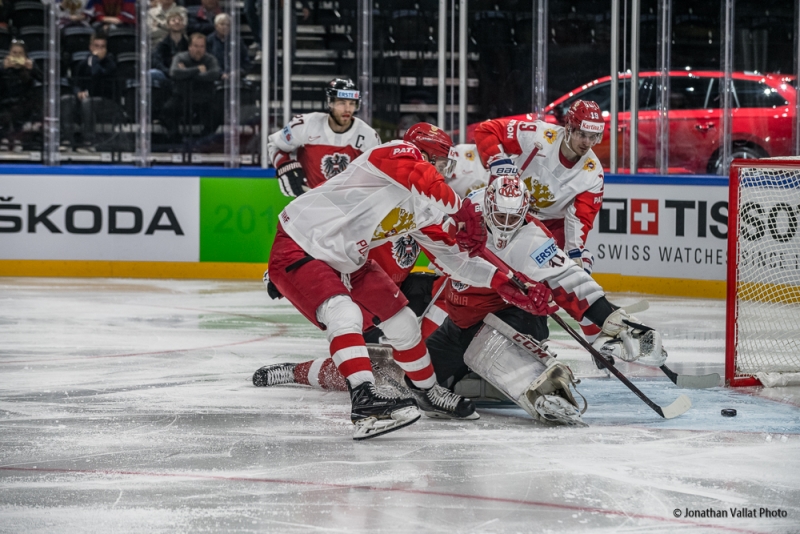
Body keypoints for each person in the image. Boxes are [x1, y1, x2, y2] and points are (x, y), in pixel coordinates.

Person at [262, 123, 547, 440]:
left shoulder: (421, 206)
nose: (444, 170)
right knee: (344, 314)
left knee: (404, 323)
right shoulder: (394, 153)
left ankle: (426, 391)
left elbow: (454, 260)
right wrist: (461, 210)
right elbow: (420, 176)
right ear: (425, 154)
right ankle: (365, 404)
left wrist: (500, 279)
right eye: (440, 162)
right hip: (301, 243)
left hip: (348, 258)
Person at [425, 176, 668, 426]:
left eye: (514, 218)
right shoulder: (462, 215)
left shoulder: (532, 238)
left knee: (496, 340)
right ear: (487, 207)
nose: (507, 225)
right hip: (458, 325)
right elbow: (429, 245)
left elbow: (570, 280)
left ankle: (541, 384)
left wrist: (610, 318)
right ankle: (482, 374)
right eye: (501, 217)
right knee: (422, 379)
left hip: (506, 319)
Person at [473, 100, 606, 341]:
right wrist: (498, 162)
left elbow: (580, 218)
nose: (588, 143)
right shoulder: (537, 134)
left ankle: (595, 337)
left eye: (594, 137)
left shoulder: (592, 173)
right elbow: (486, 130)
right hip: (507, 211)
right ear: (569, 128)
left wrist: (576, 255)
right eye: (583, 135)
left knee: (559, 282)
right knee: (480, 269)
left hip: (548, 226)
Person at [267, 78, 382, 197]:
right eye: (342, 103)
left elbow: (378, 174)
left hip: (349, 207)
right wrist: (283, 166)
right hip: (310, 202)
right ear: (330, 103)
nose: (347, 109)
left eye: (352, 103)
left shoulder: (368, 136)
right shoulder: (306, 125)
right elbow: (275, 145)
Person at [61, 32, 119, 149]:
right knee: (66, 99)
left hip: (106, 103)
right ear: (90, 47)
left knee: (88, 102)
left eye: (102, 47)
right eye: (96, 46)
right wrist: (78, 92)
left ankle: (89, 141)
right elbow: (76, 83)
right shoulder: (82, 64)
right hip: (85, 101)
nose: (99, 50)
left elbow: (97, 75)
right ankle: (66, 140)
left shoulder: (110, 65)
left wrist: (95, 60)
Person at [163, 33, 221, 137]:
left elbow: (215, 74)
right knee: (168, 109)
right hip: (182, 95)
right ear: (189, 47)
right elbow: (174, 72)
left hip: (204, 96)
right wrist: (198, 70)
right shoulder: (180, 57)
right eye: (196, 46)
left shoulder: (210, 59)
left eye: (202, 46)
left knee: (217, 111)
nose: (199, 49)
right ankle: (174, 137)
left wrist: (186, 72)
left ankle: (206, 137)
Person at [0, 39, 43, 152]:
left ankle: (16, 139)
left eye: (20, 54)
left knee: (19, 111)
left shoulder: (30, 67)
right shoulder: (3, 67)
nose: (17, 56)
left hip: (25, 103)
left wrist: (33, 69)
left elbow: (44, 81)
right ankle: (6, 139)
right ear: (9, 54)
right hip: (4, 102)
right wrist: (2, 68)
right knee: (7, 112)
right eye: (14, 53)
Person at [206, 13, 251, 80]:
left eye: (228, 25)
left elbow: (246, 61)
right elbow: (207, 61)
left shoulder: (237, 40)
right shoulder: (209, 40)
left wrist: (239, 72)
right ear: (216, 26)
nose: (225, 27)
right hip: (215, 77)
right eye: (222, 24)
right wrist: (220, 73)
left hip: (236, 78)